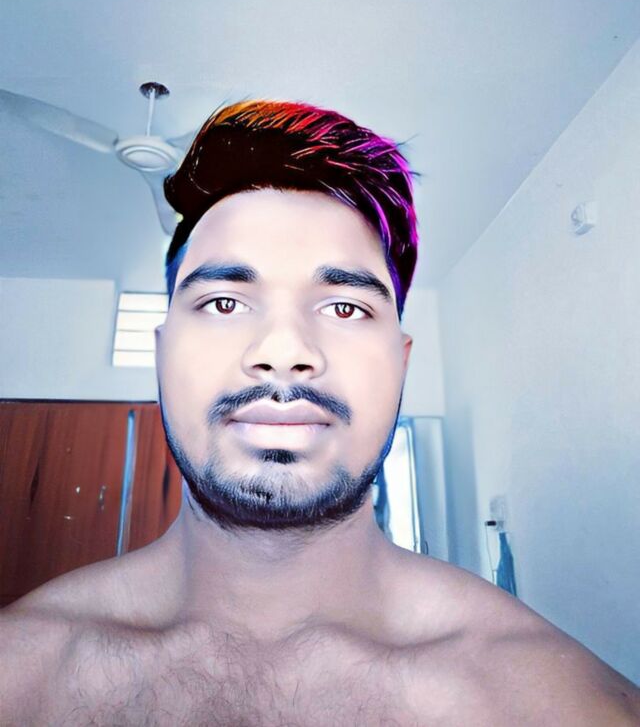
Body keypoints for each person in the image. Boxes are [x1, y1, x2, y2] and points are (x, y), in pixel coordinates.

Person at [1, 100, 638, 725]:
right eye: (224, 303)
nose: (284, 351)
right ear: (162, 355)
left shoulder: (560, 705)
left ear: (402, 362)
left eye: (345, 308)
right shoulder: (20, 674)